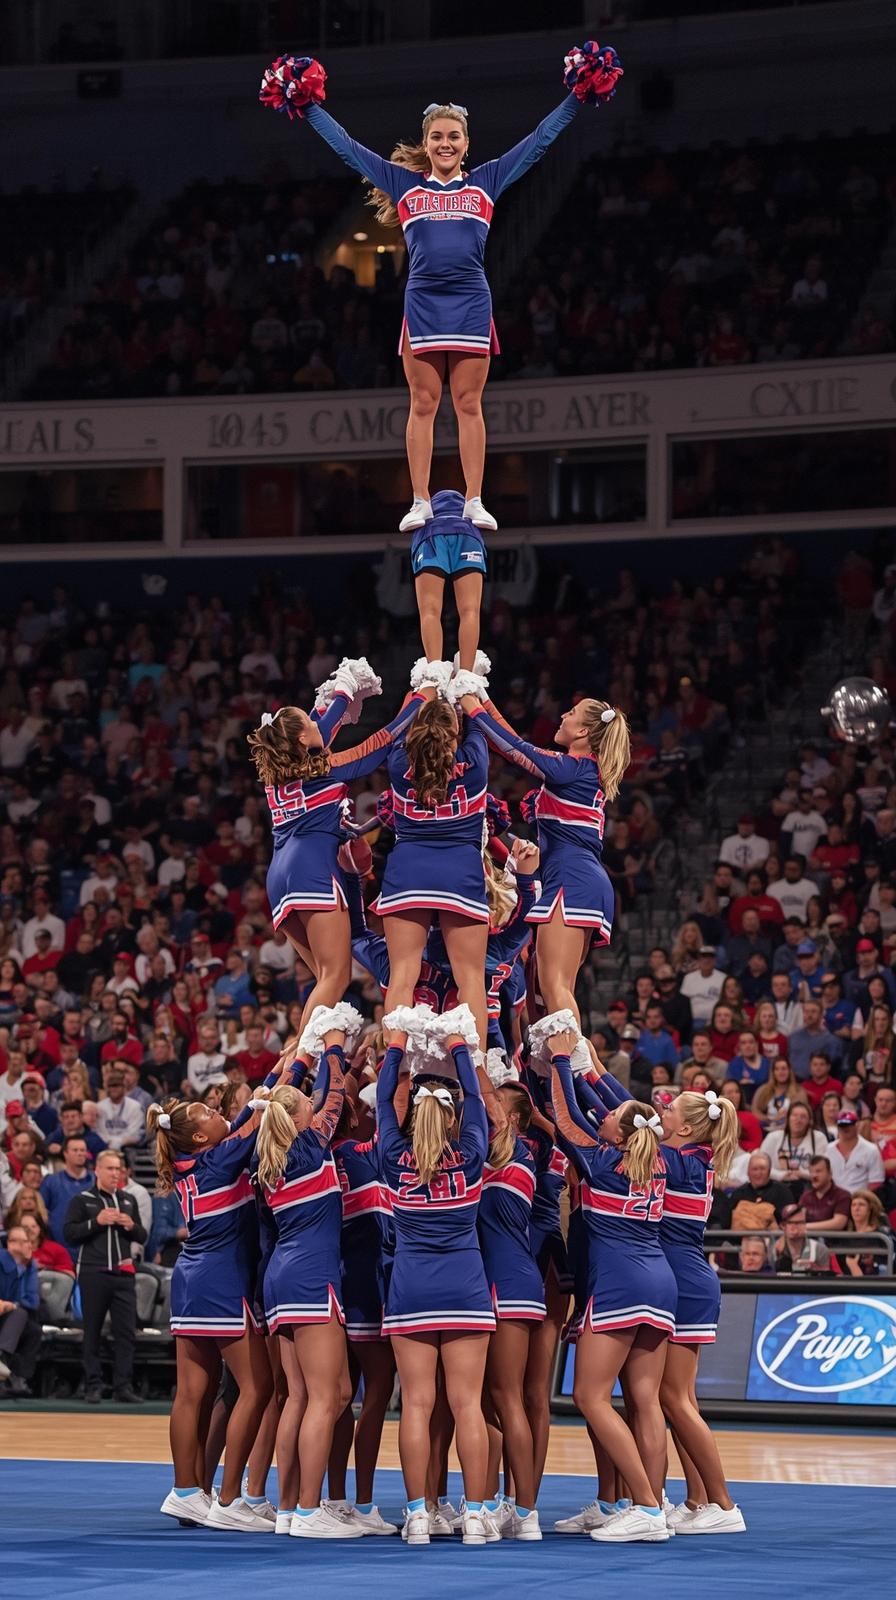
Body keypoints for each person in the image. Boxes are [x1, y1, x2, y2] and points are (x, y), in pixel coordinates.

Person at [285, 53, 621, 533]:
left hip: (470, 302)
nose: (445, 143)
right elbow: (348, 150)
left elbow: (541, 141)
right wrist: (307, 104)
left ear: (466, 144)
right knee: (422, 404)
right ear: (426, 143)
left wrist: (577, 94)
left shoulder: (487, 182)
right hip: (422, 302)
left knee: (468, 404)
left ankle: (475, 499)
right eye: (437, 136)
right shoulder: (404, 185)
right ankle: (420, 500)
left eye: (454, 136)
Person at [146, 1049, 297, 1531]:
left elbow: (242, 1118)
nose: (219, 1113)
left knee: (192, 1392)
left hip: (188, 1279)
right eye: (210, 1113)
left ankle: (186, 1489)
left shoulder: (194, 1161)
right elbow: (256, 1116)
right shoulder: (217, 1159)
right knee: (258, 1388)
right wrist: (296, 1062)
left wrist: (281, 1063)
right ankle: (232, 1500)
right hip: (220, 1280)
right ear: (197, 1136)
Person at [246, 666, 428, 1036]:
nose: (318, 721)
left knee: (324, 983)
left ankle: (289, 1067)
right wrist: (419, 699)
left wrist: (344, 693)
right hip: (311, 871)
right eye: (309, 722)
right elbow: (380, 742)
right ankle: (295, 1064)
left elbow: (321, 725)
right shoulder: (324, 769)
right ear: (300, 739)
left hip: (280, 876)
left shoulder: (278, 770)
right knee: (336, 976)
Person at [546, 1019, 675, 1544]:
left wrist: (559, 1060)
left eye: (611, 1117)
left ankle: (642, 1506)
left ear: (618, 1133)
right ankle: (656, 1504)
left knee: (591, 1397)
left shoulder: (601, 1164)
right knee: (644, 1399)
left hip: (619, 1284)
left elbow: (566, 1117)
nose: (604, 1115)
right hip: (659, 1282)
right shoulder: (656, 1158)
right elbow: (625, 1109)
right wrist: (592, 1066)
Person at [376, 1004, 499, 1547]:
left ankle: (419, 1514)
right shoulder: (472, 1154)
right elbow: (478, 1103)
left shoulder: (393, 1157)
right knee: (467, 1405)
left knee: (418, 1405)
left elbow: (382, 1101)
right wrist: (459, 1049)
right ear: (452, 1119)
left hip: (410, 1291)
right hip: (466, 1288)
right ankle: (474, 1515)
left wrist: (396, 1047)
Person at [254, 1008, 367, 1539]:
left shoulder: (272, 1153)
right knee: (324, 1397)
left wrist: (303, 1064)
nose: (314, 1107)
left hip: (282, 1276)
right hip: (309, 1275)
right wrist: (334, 1046)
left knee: (315, 1394)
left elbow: (306, 1098)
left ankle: (285, 1508)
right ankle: (305, 1509)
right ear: (300, 1117)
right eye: (306, 1106)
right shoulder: (305, 1145)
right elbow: (335, 1098)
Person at [460, 687, 630, 1022]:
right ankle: (578, 1073)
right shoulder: (579, 771)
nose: (564, 716)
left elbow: (516, 750)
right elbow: (507, 743)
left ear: (582, 731)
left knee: (556, 989)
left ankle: (575, 1071)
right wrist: (483, 700)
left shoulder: (573, 767)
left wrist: (473, 707)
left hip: (572, 881)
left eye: (571, 714)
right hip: (575, 879)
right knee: (546, 994)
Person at [373, 692, 492, 1055]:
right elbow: (479, 721)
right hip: (460, 874)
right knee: (470, 977)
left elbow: (396, 729)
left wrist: (418, 692)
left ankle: (395, 1065)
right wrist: (465, 693)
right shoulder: (475, 760)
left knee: (403, 976)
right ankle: (477, 1066)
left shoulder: (396, 762)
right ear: (453, 732)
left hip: (408, 872)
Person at [657, 1087, 746, 1534]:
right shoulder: (693, 1157)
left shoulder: (681, 1161)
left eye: (669, 1110)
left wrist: (588, 1071)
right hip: (686, 1281)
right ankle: (696, 1499)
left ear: (688, 1127)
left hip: (687, 1286)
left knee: (673, 1398)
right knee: (680, 1399)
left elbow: (627, 1132)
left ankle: (725, 1504)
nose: (661, 1111)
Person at [477, 1077, 546, 1534]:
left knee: (507, 1399)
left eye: (495, 1106)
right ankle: (503, 1504)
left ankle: (524, 1510)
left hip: (505, 1286)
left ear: (514, 1120)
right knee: (492, 1402)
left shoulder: (513, 1161)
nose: (486, 1110)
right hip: (514, 1282)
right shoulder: (506, 1158)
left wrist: (475, 1062)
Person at [62, 1147, 146, 1404]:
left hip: (123, 1274)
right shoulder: (82, 1199)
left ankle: (123, 1386)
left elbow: (142, 1236)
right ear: (97, 1170)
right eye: (109, 1168)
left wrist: (131, 1226)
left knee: (126, 1332)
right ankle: (93, 1385)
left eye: (118, 1169)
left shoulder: (129, 1200)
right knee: (93, 1331)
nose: (114, 1173)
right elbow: (69, 1234)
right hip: (93, 1272)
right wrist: (96, 1221)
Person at [0, 1223, 42, 1395]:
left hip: (11, 1316)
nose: (27, 1246)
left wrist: (11, 1304)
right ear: (10, 1244)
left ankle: (18, 1377)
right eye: (23, 1242)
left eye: (27, 1242)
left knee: (33, 1330)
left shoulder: (29, 1266)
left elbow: (32, 1300)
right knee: (20, 1315)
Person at [39, 1134, 90, 1261]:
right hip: (58, 1251)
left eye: (82, 1150)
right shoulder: (51, 1182)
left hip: (91, 1252)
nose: (80, 1154)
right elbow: (40, 1213)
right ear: (65, 1153)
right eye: (75, 1150)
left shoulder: (97, 1181)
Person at [760, 1102, 828, 1191]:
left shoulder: (818, 1138)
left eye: (803, 1117)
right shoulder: (773, 1137)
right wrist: (782, 1175)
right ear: (788, 1119)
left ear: (809, 1121)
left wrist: (802, 1174)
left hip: (810, 1186)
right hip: (777, 1185)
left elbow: (823, 1171)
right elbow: (760, 1168)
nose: (798, 1120)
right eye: (794, 1115)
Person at [728, 1153, 792, 1228]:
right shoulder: (738, 1194)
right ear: (748, 1172)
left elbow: (788, 1222)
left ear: (769, 1171)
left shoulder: (783, 1192)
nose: (758, 1173)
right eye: (754, 1169)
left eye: (762, 1169)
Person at [827, 1109, 885, 1192]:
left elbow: (876, 1182)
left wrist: (862, 1199)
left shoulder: (871, 1150)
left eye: (849, 1124)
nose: (845, 1129)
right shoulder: (828, 1149)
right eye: (842, 1125)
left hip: (860, 1199)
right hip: (834, 1200)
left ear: (856, 1125)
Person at [838, 1189, 888, 1275]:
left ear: (870, 1209)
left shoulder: (882, 1235)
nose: (856, 1209)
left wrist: (854, 1266)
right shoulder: (845, 1236)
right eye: (853, 1205)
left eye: (861, 1205)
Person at [774, 1204, 833, 1274]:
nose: (794, 1227)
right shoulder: (773, 1250)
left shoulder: (819, 1249)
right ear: (783, 1226)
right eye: (790, 1223)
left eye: (799, 1223)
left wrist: (814, 1269)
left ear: (805, 1224)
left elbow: (826, 1279)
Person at [798, 1155, 851, 1233]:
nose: (814, 1175)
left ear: (830, 1174)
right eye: (811, 1172)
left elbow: (839, 1223)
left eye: (818, 1171)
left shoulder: (843, 1195)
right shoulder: (806, 1196)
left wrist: (805, 1226)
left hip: (834, 1243)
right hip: (810, 1241)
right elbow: (798, 1219)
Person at [679, 946, 725, 1027]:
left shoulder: (723, 978)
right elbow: (683, 1002)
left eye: (710, 958)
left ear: (714, 960)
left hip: (714, 1022)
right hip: (692, 1021)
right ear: (699, 960)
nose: (707, 960)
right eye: (704, 957)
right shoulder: (688, 978)